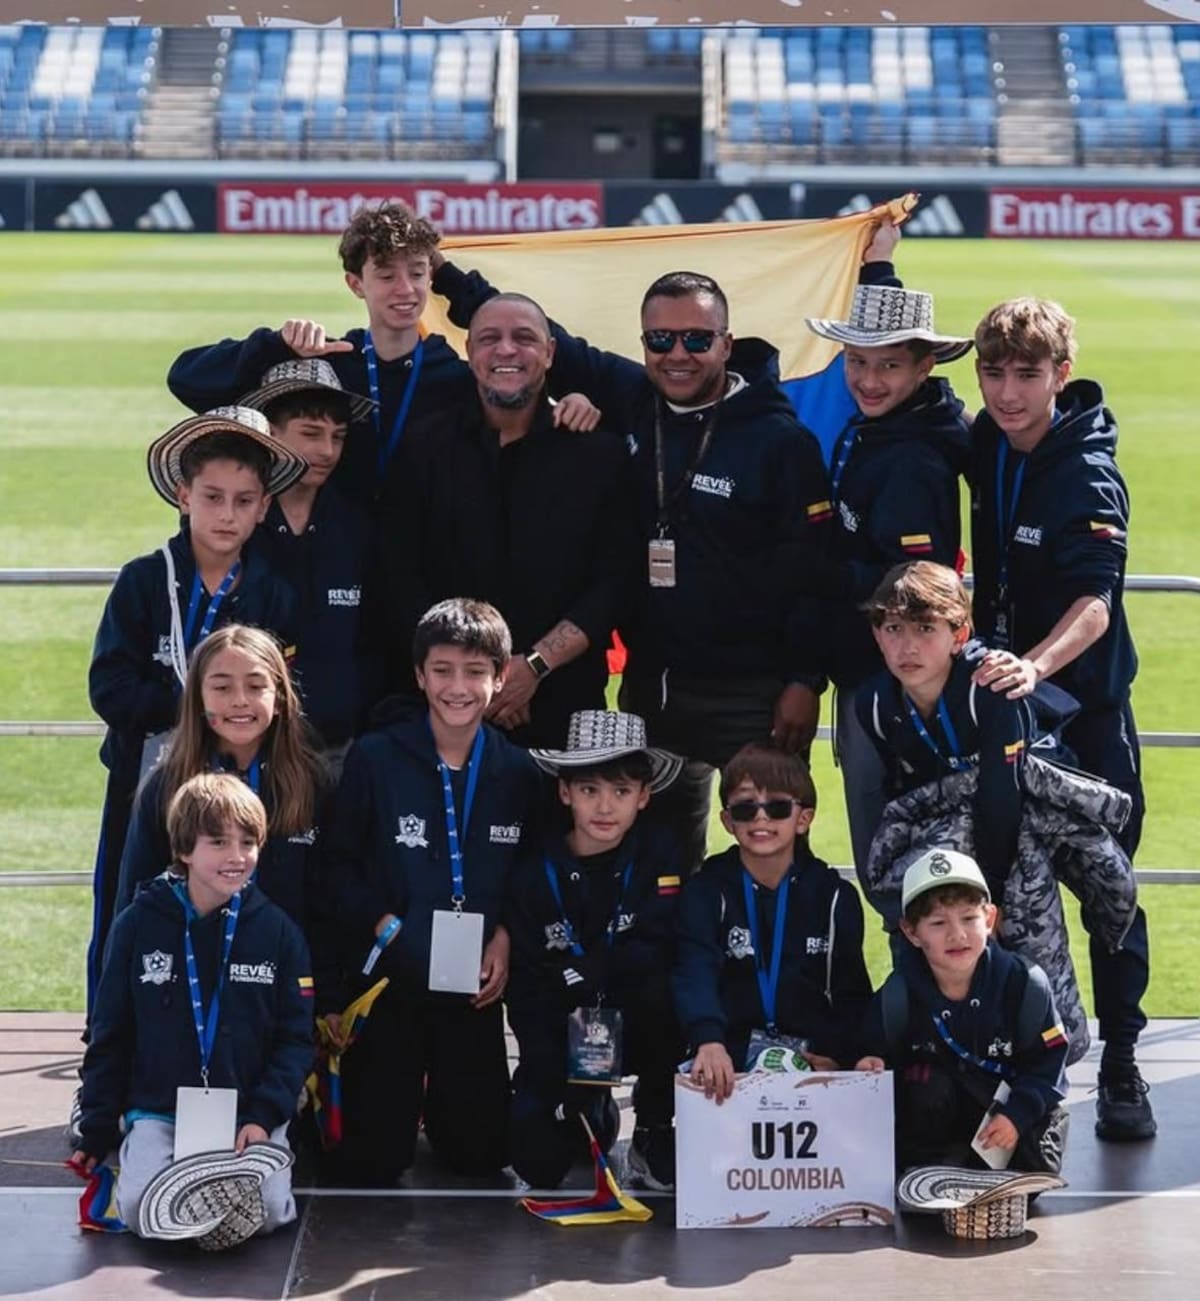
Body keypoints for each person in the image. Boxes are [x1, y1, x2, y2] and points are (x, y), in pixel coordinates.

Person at [434, 257, 848, 873]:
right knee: (656, 873)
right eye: (660, 339)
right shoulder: (631, 397)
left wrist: (802, 683)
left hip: (753, 697)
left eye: (696, 339)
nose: (677, 354)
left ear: (726, 345)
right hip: (653, 694)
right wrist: (437, 272)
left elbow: (816, 573)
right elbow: (535, 338)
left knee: (774, 857)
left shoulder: (780, 441)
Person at [966, 297, 1153, 1142]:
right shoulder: (987, 440)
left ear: (1060, 377)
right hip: (1007, 716)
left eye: (1027, 376)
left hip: (1085, 721)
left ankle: (1121, 1062)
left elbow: (1095, 606)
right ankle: (1012, 1066)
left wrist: (1034, 665)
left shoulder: (1086, 472)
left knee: (1110, 894)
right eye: (993, 373)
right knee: (1000, 890)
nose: (1007, 394)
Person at [86, 406, 304, 1024]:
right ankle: (104, 1055)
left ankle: (222, 1057)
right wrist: (196, 707)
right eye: (212, 497)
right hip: (147, 779)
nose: (227, 515)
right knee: (125, 911)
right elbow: (109, 685)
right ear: (183, 496)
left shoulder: (274, 589)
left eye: (243, 500)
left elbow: (284, 688)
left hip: (245, 783)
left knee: (241, 913)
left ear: (264, 507)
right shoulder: (144, 580)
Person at [320, 597, 544, 1184]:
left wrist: (505, 936)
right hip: (391, 976)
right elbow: (338, 866)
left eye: (475, 673)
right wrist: (385, 926)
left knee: (480, 1156)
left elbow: (528, 876)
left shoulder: (518, 772)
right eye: (442, 671)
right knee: (373, 1162)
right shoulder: (375, 758)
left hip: (469, 984)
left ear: (501, 679)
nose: (457, 688)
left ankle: (448, 1108)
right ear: (419, 675)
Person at [377, 291, 639, 748]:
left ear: (550, 352)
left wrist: (533, 667)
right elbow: (399, 574)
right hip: (442, 709)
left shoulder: (599, 454)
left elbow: (613, 584)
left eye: (524, 338)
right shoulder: (423, 449)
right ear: (470, 351)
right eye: (489, 338)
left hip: (565, 708)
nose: (506, 350)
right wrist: (470, 676)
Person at [69, 773, 313, 1241]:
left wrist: (262, 1116)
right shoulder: (138, 924)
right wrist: (98, 1128)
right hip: (160, 1111)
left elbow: (295, 1040)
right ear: (183, 849)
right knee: (143, 1209)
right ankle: (180, 1195)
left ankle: (212, 1196)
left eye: (247, 842)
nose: (236, 856)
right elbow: (110, 1035)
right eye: (218, 842)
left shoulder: (279, 933)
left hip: (248, 1115)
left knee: (271, 1212)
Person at [801, 285, 973, 880]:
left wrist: (813, 571)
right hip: (876, 672)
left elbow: (915, 585)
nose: (868, 379)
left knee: (891, 859)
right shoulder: (888, 426)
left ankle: (917, 970)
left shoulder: (913, 460)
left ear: (925, 367)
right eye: (857, 361)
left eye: (889, 365)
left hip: (893, 684)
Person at [167, 202, 470, 503]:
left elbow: (509, 326)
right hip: (335, 548)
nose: (405, 289)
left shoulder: (452, 372)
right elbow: (187, 379)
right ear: (356, 284)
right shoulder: (328, 365)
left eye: (417, 274)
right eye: (387, 276)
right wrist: (275, 345)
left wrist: (448, 277)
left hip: (423, 548)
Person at [507, 709, 686, 1191]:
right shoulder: (531, 871)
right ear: (565, 792)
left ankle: (652, 1126)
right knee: (539, 1164)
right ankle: (584, 1103)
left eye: (621, 792)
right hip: (559, 1026)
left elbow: (661, 946)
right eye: (589, 791)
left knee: (667, 991)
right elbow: (525, 982)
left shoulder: (660, 855)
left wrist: (589, 969)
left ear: (644, 797)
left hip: (633, 1018)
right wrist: (545, 1067)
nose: (605, 808)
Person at [115, 625, 336, 1010]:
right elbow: (132, 902)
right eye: (221, 687)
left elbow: (332, 901)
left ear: (281, 698)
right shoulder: (165, 787)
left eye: (255, 686)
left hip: (284, 995)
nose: (239, 701)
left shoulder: (315, 784)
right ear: (197, 699)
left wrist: (331, 998)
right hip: (186, 992)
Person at [672, 743, 872, 1103]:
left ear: (803, 819)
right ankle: (654, 1126)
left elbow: (850, 991)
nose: (761, 818)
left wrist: (839, 1054)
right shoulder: (706, 890)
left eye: (777, 807)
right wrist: (708, 1040)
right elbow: (693, 969)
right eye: (746, 808)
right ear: (728, 821)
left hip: (811, 1056)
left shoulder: (835, 896)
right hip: (725, 1056)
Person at [857, 849, 1069, 1175]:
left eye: (969, 918)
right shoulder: (897, 996)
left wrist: (1016, 1115)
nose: (957, 935)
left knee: (1036, 1162)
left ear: (989, 919)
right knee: (928, 1087)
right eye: (938, 923)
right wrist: (870, 1063)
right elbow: (870, 1051)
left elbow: (1049, 1064)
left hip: (1006, 1119)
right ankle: (929, 1173)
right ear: (912, 932)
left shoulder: (1026, 986)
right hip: (934, 1128)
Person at [855, 562, 1040, 906]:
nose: (907, 647)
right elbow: (904, 798)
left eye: (925, 628)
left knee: (1034, 921)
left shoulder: (989, 686)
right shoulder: (875, 704)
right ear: (877, 635)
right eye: (894, 628)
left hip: (1025, 823)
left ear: (959, 636)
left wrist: (992, 893)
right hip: (945, 828)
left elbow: (1004, 798)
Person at [239, 358, 378, 759]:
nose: (328, 451)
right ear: (270, 432)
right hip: (248, 750)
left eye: (338, 436)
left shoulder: (359, 524)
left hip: (338, 749)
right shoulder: (234, 523)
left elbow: (375, 641)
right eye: (311, 433)